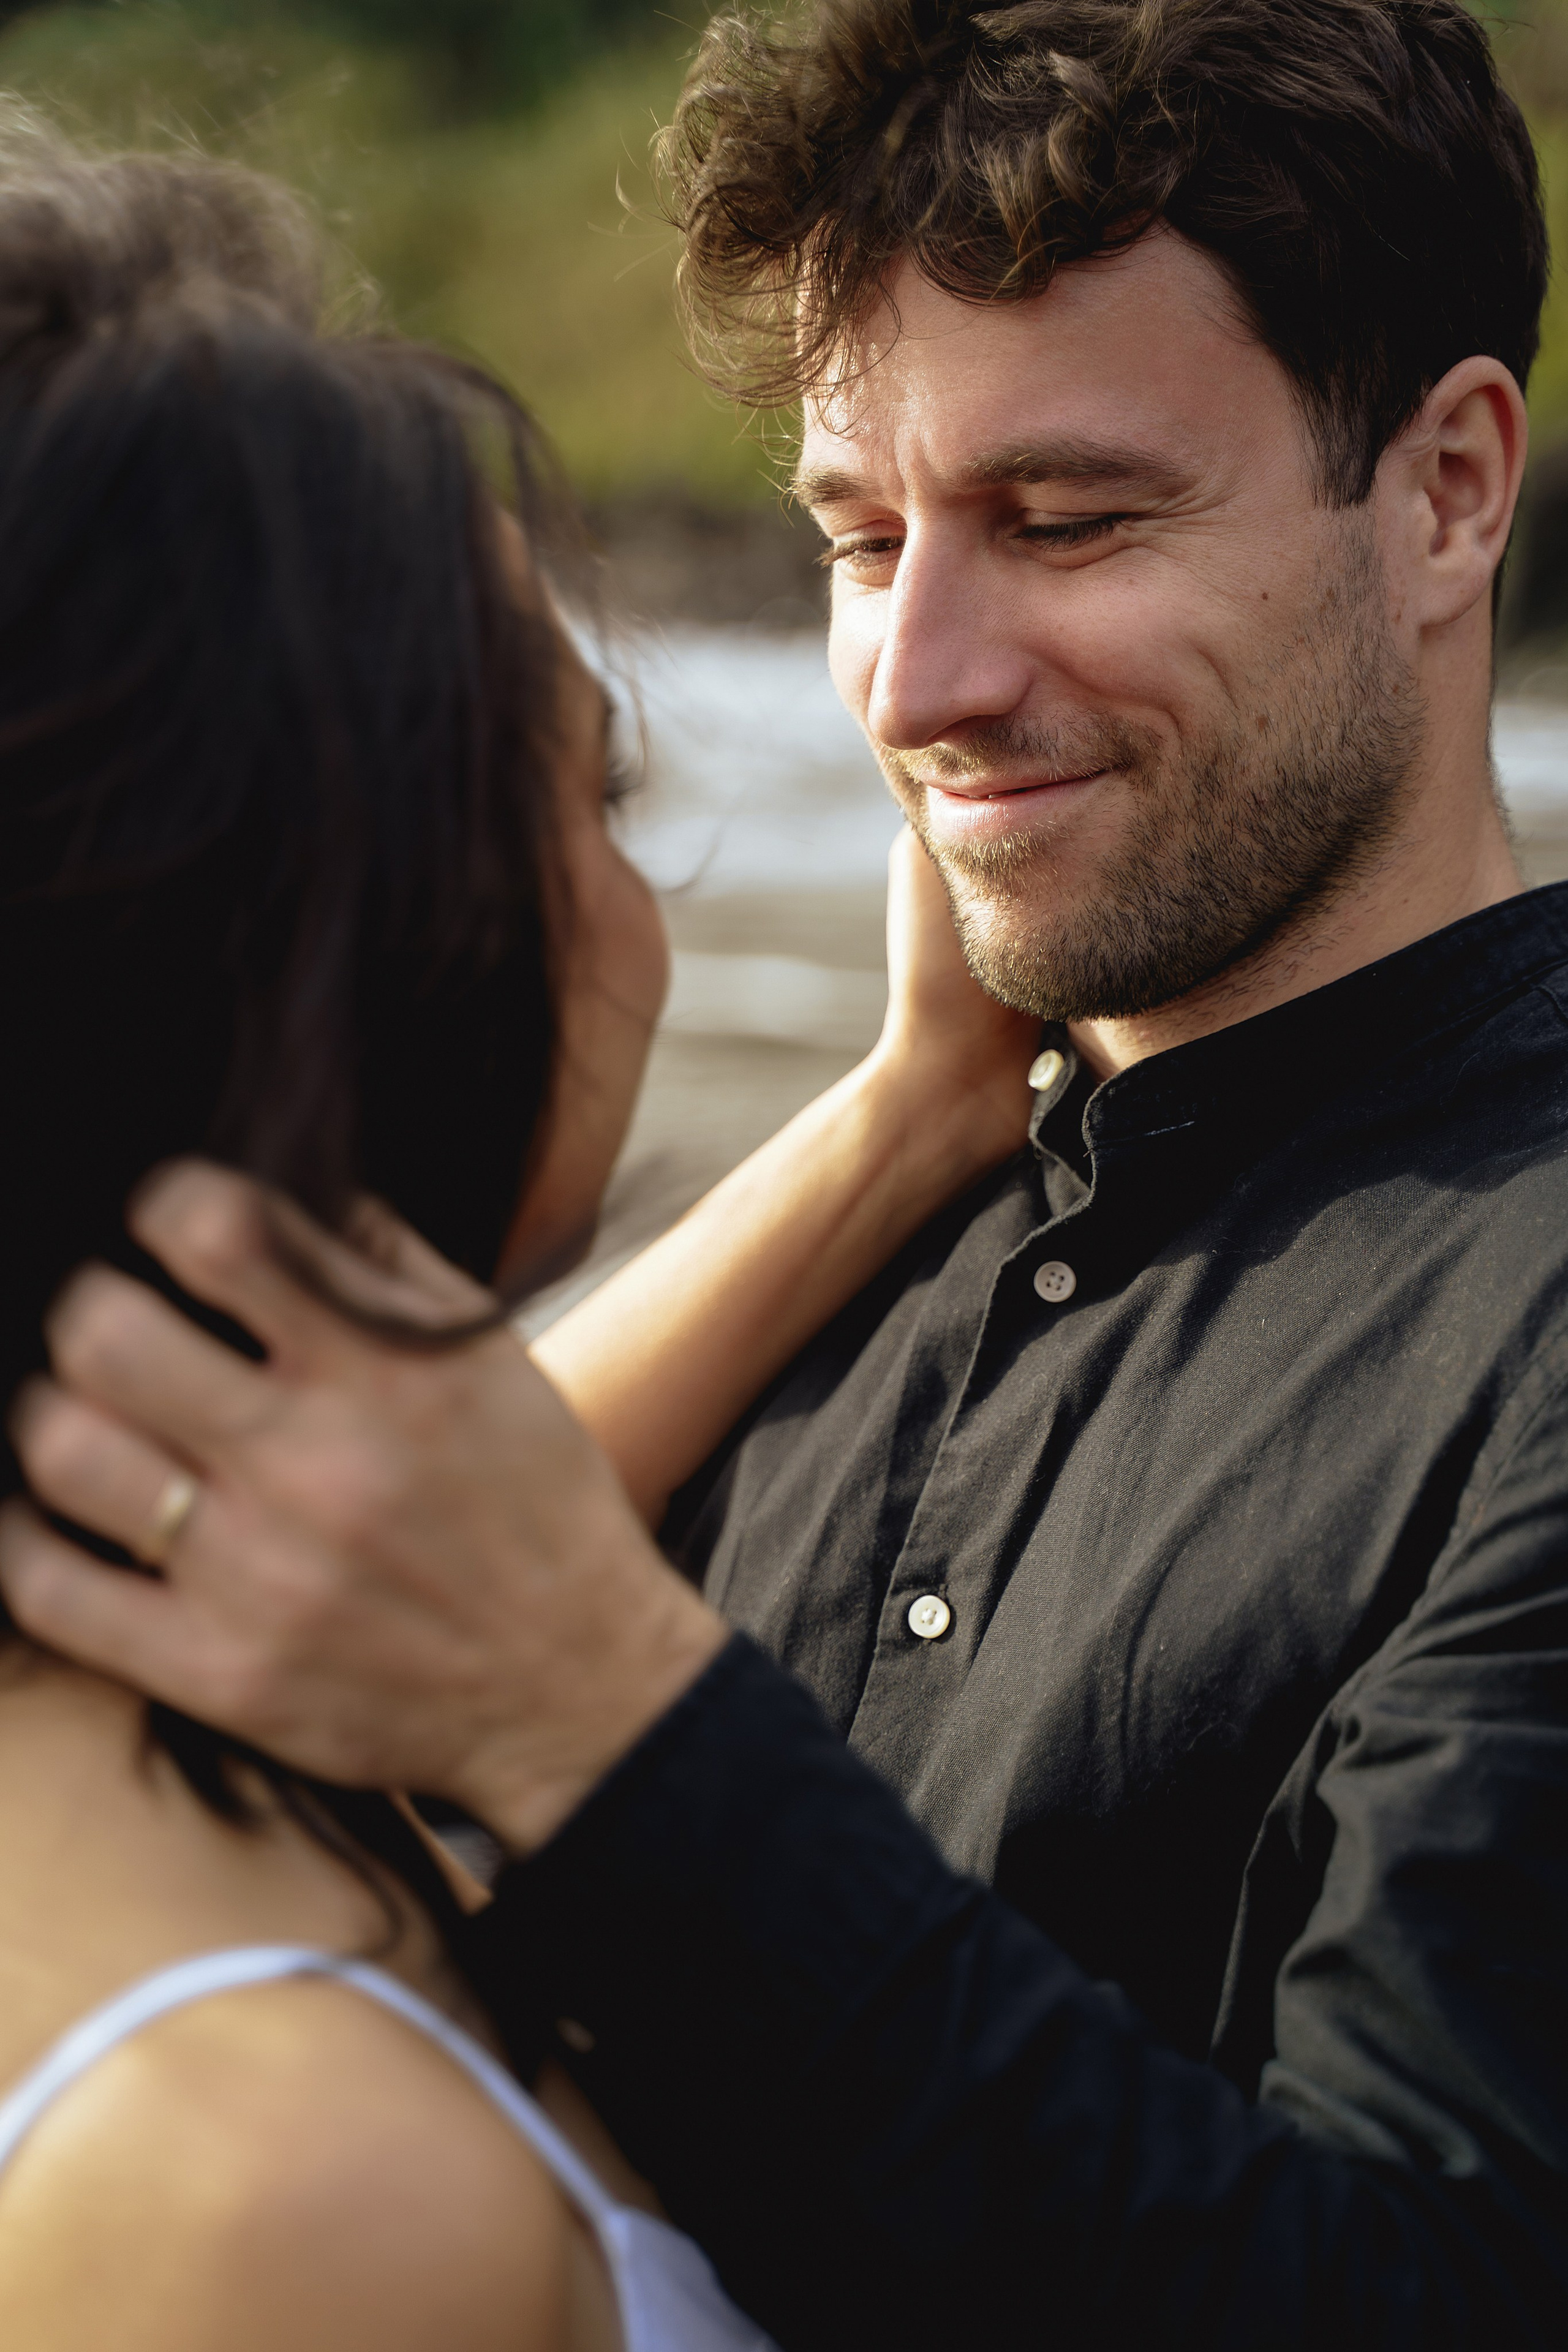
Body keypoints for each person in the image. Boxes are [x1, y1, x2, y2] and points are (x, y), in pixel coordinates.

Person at [6, 0, 1568, 2342]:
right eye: (856, 533)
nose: (915, 678)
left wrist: (603, 1717)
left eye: (1067, 522)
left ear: (1447, 488)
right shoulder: (884, 1186)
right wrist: (903, 1119)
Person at [0, 108, 807, 2352]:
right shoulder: (295, 2213)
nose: (640, 918)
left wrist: (914, 1111)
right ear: (355, 948)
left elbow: (495, 1474)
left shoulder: (159, 1661)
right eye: (597, 796)